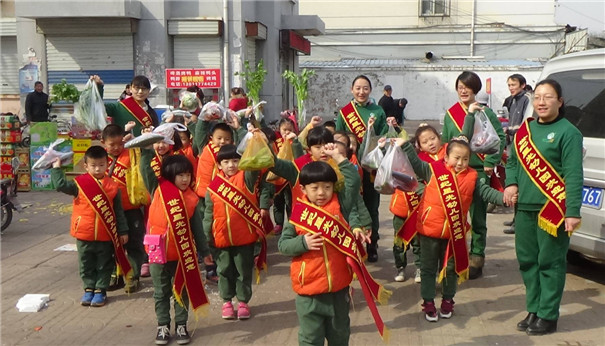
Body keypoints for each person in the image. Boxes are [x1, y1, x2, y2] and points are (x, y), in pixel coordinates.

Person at [278, 151, 389, 345]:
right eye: (315, 188)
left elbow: (354, 181)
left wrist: (339, 158)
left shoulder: (341, 206)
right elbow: (283, 245)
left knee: (340, 336)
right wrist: (303, 243)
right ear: (303, 189)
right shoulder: (299, 214)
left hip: (339, 290)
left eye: (327, 187)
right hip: (309, 292)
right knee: (310, 339)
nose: (321, 193)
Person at [399, 132, 511, 322]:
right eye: (456, 158)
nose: (460, 163)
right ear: (447, 156)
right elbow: (416, 165)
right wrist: (406, 146)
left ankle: (448, 300)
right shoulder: (433, 170)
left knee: (451, 269)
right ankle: (428, 302)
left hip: (454, 233)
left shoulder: (473, 177)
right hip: (428, 231)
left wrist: (504, 198)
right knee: (428, 269)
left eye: (465, 159)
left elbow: (486, 192)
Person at [503, 79, 583, 336]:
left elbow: (573, 175)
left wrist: (572, 211)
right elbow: (513, 162)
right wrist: (511, 184)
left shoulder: (568, 132)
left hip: (553, 210)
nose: (541, 102)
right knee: (527, 261)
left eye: (548, 97)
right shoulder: (524, 132)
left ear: (560, 101)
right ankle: (534, 309)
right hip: (524, 207)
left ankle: (548, 315)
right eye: (537, 96)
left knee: (550, 262)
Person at [441, 71, 506, 279]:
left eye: (467, 86)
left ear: (474, 89)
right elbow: (445, 143)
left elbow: (500, 137)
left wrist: (490, 162)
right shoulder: (451, 113)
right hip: (456, 172)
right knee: (454, 215)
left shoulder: (485, 112)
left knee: (478, 218)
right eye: (460, 85)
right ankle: (453, 257)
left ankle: (477, 257)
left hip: (478, 171)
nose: (463, 90)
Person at [142, 154, 211, 345]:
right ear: (169, 175)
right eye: (180, 175)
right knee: (161, 292)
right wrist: (144, 150)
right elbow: (146, 171)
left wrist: (205, 252)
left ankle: (181, 325)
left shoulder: (192, 199)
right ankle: (162, 325)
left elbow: (197, 229)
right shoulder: (158, 190)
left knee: (181, 290)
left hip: (182, 255)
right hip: (157, 253)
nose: (184, 179)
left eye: (188, 175)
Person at [50, 146, 129, 307]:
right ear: (86, 166)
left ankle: (101, 290)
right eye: (93, 165)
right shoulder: (80, 184)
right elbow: (60, 185)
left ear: (107, 164)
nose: (97, 169)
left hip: (105, 234)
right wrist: (56, 169)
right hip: (83, 233)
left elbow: (119, 212)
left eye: (101, 165)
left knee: (104, 263)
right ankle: (88, 289)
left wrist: (123, 231)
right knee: (86, 263)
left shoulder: (113, 186)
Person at [202, 144, 267, 320]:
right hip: (220, 239)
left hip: (244, 238)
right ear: (219, 165)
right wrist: (206, 239)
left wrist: (253, 138)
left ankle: (244, 302)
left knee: (243, 271)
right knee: (224, 271)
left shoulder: (247, 178)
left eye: (235, 160)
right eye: (226, 161)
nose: (231, 165)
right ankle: (227, 301)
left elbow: (255, 163)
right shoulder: (213, 187)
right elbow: (208, 214)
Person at [336, 75, 393, 262]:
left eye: (365, 88)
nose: (361, 92)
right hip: (349, 166)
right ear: (352, 90)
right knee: (349, 205)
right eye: (358, 88)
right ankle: (350, 242)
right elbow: (338, 138)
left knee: (371, 205)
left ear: (370, 90)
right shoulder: (345, 112)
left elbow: (384, 135)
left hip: (370, 168)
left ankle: (372, 243)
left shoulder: (378, 110)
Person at [101, 124, 149, 293]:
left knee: (135, 243)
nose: (116, 148)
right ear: (103, 143)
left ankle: (133, 276)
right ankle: (113, 275)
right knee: (110, 246)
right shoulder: (99, 160)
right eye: (111, 145)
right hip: (108, 211)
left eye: (119, 144)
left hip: (131, 208)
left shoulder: (131, 154)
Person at [502, 74, 531, 235]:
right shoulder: (512, 100)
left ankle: (519, 221)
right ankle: (515, 219)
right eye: (509, 85)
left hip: (522, 145)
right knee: (512, 180)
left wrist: (511, 130)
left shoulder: (527, 99)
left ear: (522, 85)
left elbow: (525, 123)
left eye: (514, 84)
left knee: (519, 182)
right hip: (512, 143)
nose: (511, 88)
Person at [92, 75, 160, 136]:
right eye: (137, 88)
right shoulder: (118, 107)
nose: (140, 92)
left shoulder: (151, 113)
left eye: (144, 89)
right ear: (130, 89)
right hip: (123, 148)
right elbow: (97, 107)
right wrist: (98, 87)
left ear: (148, 91)